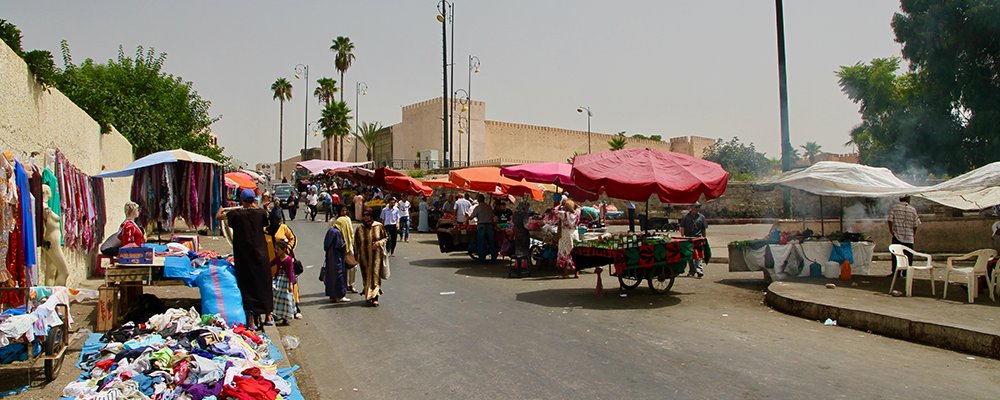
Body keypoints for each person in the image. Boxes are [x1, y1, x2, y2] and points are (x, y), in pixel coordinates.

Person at [217, 189, 272, 329]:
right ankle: (268, 316)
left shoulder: (236, 214)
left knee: (247, 286)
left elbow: (219, 217)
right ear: (254, 200)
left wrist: (221, 208)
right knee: (263, 283)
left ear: (241, 200)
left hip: (244, 256)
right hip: (261, 254)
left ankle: (251, 321)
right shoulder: (261, 213)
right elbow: (266, 223)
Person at [264, 211, 300, 319]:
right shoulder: (265, 232)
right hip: (272, 262)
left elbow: (293, 238)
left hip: (285, 261)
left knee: (291, 285)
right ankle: (277, 311)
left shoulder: (284, 228)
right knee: (275, 288)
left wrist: (287, 249)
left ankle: (296, 307)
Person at [355, 207, 389, 307]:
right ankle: (368, 294)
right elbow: (356, 243)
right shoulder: (359, 229)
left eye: (368, 215)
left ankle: (375, 298)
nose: (366, 217)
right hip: (364, 258)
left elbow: (385, 238)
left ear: (371, 216)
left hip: (376, 257)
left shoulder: (378, 226)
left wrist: (378, 243)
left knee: (375, 276)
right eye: (364, 215)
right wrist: (356, 257)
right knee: (366, 276)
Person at [887, 195, 921, 276]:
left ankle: (896, 272)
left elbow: (890, 220)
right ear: (908, 199)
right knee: (908, 255)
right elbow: (916, 224)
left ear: (900, 199)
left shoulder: (894, 207)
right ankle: (906, 272)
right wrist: (913, 234)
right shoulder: (912, 209)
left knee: (896, 255)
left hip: (897, 235)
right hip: (909, 237)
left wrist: (891, 230)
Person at [269, 239, 296, 325]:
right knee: (275, 296)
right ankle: (277, 315)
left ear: (284, 250)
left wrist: (290, 284)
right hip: (278, 280)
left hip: (285, 281)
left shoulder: (288, 260)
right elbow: (270, 264)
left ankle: (285, 318)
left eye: (278, 249)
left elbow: (291, 272)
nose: (276, 251)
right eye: (276, 249)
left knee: (286, 299)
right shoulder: (277, 258)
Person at [324, 216, 350, 302]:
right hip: (337, 257)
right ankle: (340, 295)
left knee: (331, 276)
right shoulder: (337, 233)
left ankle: (332, 295)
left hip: (329, 257)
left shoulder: (330, 231)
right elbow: (340, 246)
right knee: (340, 275)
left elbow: (326, 245)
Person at [334, 206, 358, 293]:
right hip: (339, 248)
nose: (344, 212)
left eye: (345, 210)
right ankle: (343, 285)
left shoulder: (348, 219)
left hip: (349, 246)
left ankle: (352, 284)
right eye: (342, 210)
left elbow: (351, 233)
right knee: (341, 268)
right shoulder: (335, 221)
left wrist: (352, 244)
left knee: (353, 266)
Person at [679, 202, 708, 278]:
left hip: (698, 238)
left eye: (698, 207)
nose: (697, 209)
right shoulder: (685, 217)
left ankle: (699, 270)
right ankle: (692, 270)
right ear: (692, 207)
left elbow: (703, 228)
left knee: (699, 255)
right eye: (696, 207)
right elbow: (682, 227)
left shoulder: (702, 217)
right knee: (690, 256)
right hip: (688, 238)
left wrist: (704, 238)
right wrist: (682, 237)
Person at [556, 199, 581, 278]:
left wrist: (560, 204)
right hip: (574, 234)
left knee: (565, 252)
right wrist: (573, 204)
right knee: (575, 253)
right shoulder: (577, 213)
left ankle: (565, 273)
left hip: (566, 235)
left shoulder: (564, 214)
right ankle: (576, 273)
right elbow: (579, 207)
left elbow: (554, 211)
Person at [469, 194, 497, 264]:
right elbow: (492, 216)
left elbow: (471, 217)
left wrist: (467, 218)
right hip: (489, 226)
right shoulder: (489, 207)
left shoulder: (477, 207)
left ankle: (482, 260)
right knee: (491, 242)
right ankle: (494, 258)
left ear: (478, 200)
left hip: (481, 226)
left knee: (481, 243)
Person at [511, 200, 532, 276]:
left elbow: (513, 222)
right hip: (524, 234)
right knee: (524, 251)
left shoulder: (515, 214)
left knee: (518, 250)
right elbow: (526, 225)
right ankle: (523, 266)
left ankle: (517, 265)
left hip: (517, 234)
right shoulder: (525, 215)